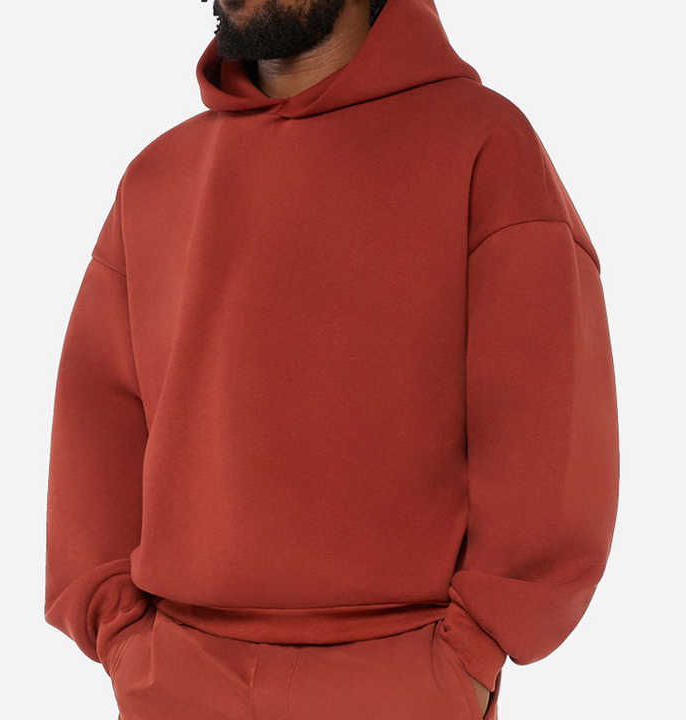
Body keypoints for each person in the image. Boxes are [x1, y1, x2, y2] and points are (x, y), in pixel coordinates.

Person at [43, 0, 620, 717]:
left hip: (401, 682)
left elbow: (549, 428)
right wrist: (124, 639)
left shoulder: (485, 146)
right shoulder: (157, 176)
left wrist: (473, 652)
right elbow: (96, 421)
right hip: (177, 684)